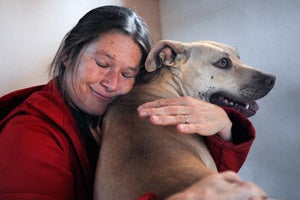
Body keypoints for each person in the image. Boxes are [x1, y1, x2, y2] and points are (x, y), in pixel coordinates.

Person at [0, 5, 267, 200]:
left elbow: (189, 172)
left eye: (128, 74)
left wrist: (225, 127)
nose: (112, 83)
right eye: (102, 63)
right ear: (68, 55)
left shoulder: (122, 113)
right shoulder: (28, 135)